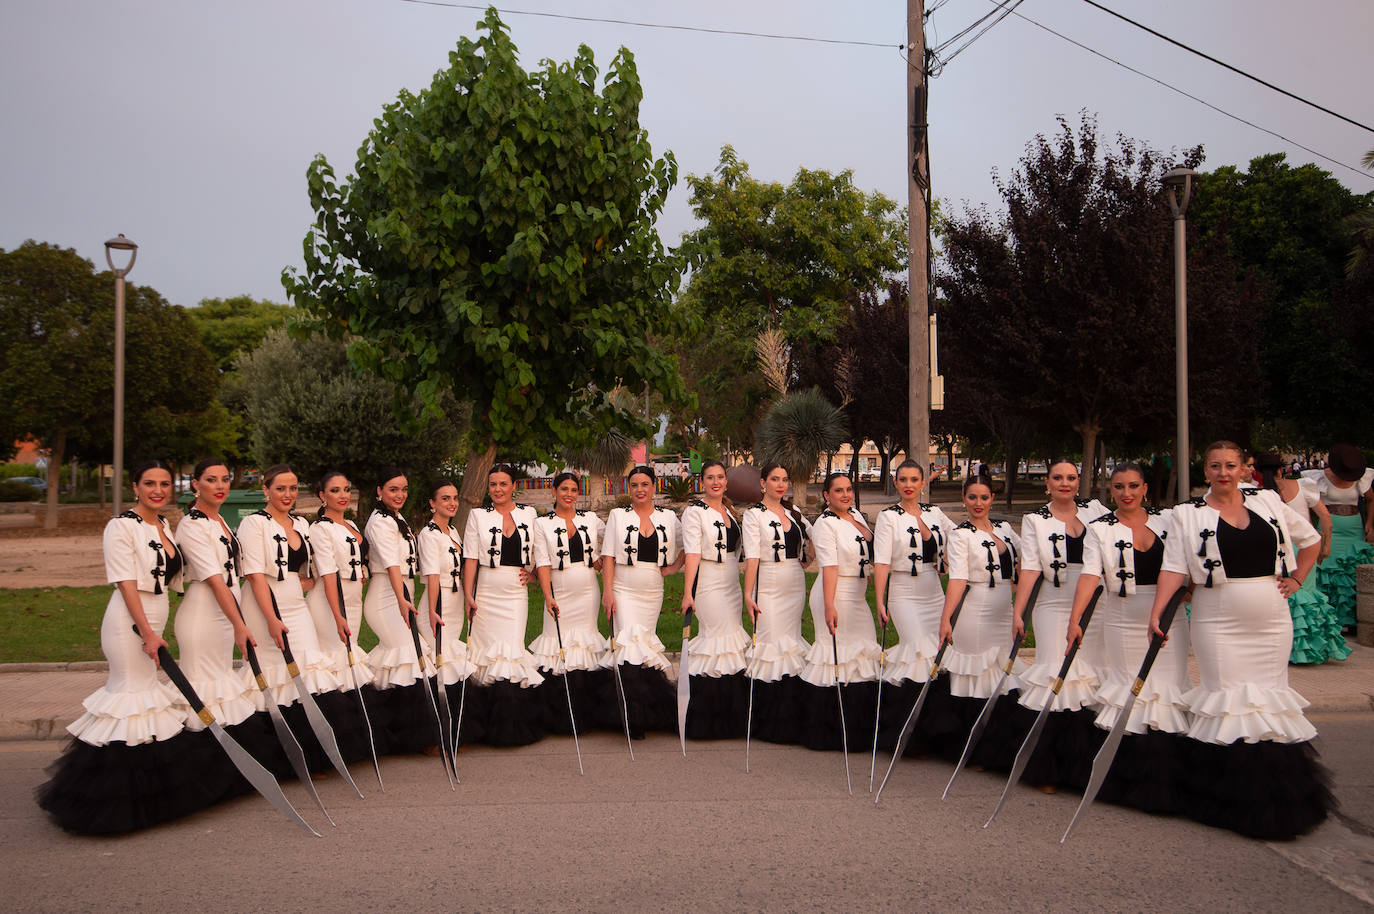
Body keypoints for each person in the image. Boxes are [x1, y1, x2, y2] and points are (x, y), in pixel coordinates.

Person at [38, 460, 235, 834]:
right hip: (129, 621)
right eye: (150, 484)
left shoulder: (163, 526)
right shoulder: (121, 526)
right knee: (130, 697)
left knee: (147, 704)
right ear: (135, 487)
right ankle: (101, 800)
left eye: (163, 484)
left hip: (155, 618)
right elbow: (125, 582)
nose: (158, 490)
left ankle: (149, 797)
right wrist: (146, 631)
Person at [1151, 440, 1332, 839]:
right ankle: (1228, 799)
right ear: (1205, 472)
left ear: (1244, 468)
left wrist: (1298, 577)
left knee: (1268, 699)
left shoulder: (1268, 502)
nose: (1223, 473)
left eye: (1231, 465)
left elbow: (1312, 540)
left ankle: (1276, 799)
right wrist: (1158, 612)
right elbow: (1174, 568)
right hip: (1217, 619)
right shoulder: (1187, 514)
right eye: (1214, 466)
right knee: (1228, 700)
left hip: (1271, 617)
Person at [1067, 462, 1191, 813]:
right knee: (1129, 693)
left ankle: (1169, 780)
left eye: (1133, 486)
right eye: (1119, 487)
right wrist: (1075, 620)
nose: (1127, 493)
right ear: (1111, 490)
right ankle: (1127, 779)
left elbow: (1187, 565)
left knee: (1167, 691)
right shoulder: (1099, 529)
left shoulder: (1169, 523)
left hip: (1168, 617)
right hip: (1122, 618)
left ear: (1145, 488)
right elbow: (1090, 576)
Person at [237, 464, 349, 769]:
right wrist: (272, 618)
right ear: (266, 490)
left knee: (310, 665)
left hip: (297, 606)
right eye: (280, 488)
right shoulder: (254, 524)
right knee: (276, 674)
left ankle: (315, 752)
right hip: (263, 608)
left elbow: (308, 571)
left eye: (293, 488)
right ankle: (277, 757)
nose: (288, 494)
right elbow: (255, 575)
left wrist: (305, 584)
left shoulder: (301, 523)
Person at [1008, 459, 1108, 790]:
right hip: (1052, 602)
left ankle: (1083, 769)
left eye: (1071, 477)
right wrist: (1019, 610)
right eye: (1057, 478)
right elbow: (1032, 568)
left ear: (1079, 482)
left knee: (1087, 675)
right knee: (1055, 673)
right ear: (1047, 483)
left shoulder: (1096, 512)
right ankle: (1048, 767)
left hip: (1093, 601)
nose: (1064, 483)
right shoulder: (1036, 519)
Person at [935, 473, 1023, 767]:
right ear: (964, 499)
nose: (978, 503)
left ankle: (1001, 750)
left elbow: (1029, 562)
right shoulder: (960, 535)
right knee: (976, 679)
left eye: (984, 497)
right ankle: (972, 750)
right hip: (976, 611)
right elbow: (957, 579)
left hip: (1004, 609)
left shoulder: (1007, 531)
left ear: (992, 499)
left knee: (1002, 676)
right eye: (972, 497)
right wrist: (947, 618)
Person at [872, 460, 955, 754]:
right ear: (896, 483)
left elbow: (960, 538)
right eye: (903, 479)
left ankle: (938, 732)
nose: (908, 484)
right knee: (917, 652)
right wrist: (880, 599)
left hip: (933, 591)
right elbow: (881, 560)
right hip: (904, 591)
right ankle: (906, 735)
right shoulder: (887, 517)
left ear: (923, 483)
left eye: (914, 479)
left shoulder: (935, 513)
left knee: (936, 656)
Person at [172, 458, 259, 736]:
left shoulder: (218, 519)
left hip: (224, 616)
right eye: (211, 480)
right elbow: (215, 581)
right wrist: (240, 625)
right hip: (202, 616)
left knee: (221, 691)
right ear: (196, 485)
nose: (220, 486)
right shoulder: (191, 525)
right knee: (203, 692)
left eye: (224, 479)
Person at [461, 463, 545, 746]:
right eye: (493, 484)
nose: (497, 489)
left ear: (513, 486)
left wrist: (534, 576)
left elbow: (539, 550)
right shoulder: (477, 516)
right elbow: (470, 556)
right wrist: (468, 594)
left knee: (510, 653)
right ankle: (483, 723)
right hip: (486, 591)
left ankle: (510, 725)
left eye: (503, 484)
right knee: (485, 656)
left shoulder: (528, 514)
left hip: (515, 594)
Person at [600, 465, 683, 738]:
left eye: (645, 484)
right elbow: (609, 556)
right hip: (623, 588)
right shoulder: (617, 516)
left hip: (652, 589)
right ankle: (630, 718)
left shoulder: (669, 517)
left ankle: (649, 713)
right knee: (629, 647)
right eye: (634, 484)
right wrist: (608, 591)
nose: (639, 489)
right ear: (628, 488)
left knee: (645, 648)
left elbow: (688, 545)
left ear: (654, 487)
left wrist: (672, 568)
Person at [799, 472, 880, 751]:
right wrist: (829, 604)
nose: (845, 495)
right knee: (836, 657)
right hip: (835, 593)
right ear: (826, 495)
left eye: (848, 490)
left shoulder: (856, 515)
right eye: (838, 491)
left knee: (862, 653)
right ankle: (830, 729)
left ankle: (859, 727)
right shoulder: (825, 524)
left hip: (858, 595)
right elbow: (829, 566)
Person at [530, 472, 611, 734]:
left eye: (574, 490)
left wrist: (598, 557)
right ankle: (556, 716)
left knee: (585, 643)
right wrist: (547, 595)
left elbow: (611, 540)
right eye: (564, 489)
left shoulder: (590, 519)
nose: (569, 494)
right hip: (559, 591)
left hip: (588, 590)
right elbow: (542, 561)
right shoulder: (542, 524)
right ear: (554, 491)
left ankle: (587, 714)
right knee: (557, 646)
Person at [740, 463, 812, 745]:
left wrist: (807, 554)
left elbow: (811, 544)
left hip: (794, 581)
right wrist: (749, 593)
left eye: (784, 480)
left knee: (791, 643)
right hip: (767, 583)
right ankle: (768, 719)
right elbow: (752, 557)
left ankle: (793, 716)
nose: (780, 485)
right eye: (774, 479)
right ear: (762, 483)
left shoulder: (795, 514)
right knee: (770, 644)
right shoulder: (753, 515)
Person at [679, 460, 751, 739]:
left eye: (720, 477)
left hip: (731, 580)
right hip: (708, 581)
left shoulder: (730, 511)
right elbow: (692, 553)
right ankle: (705, 716)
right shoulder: (694, 512)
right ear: (702, 481)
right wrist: (688, 592)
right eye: (710, 477)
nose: (716, 482)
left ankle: (731, 717)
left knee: (731, 641)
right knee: (714, 641)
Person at [362, 467, 431, 754]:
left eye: (403, 489)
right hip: (386, 597)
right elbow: (391, 564)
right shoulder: (379, 521)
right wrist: (402, 598)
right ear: (379, 491)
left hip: (403, 592)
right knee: (408, 657)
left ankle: (390, 735)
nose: (400, 494)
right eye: (393, 489)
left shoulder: (397, 517)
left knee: (403, 660)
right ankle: (410, 737)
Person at [1255, 453, 1347, 664]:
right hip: (1305, 548)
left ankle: (1279, 650)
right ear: (1281, 469)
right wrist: (1325, 545)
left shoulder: (1255, 492)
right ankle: (1306, 650)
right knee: (1306, 596)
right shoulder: (1302, 486)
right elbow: (1325, 517)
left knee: (1280, 597)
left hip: (1275, 551)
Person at [415, 478, 475, 726]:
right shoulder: (428, 534)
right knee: (439, 665)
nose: (452, 503)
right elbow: (431, 575)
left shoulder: (453, 532)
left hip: (455, 605)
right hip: (436, 606)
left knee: (452, 662)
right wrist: (431, 610)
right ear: (432, 503)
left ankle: (455, 725)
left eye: (454, 498)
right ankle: (435, 728)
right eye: (445, 498)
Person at [1302, 444, 1374, 630]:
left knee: (1350, 572)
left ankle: (1351, 619)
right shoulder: (1317, 477)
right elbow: (1306, 502)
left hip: (1354, 528)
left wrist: (1370, 524)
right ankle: (1330, 618)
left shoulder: (1361, 477)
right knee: (1327, 571)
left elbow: (1372, 499)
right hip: (1329, 529)